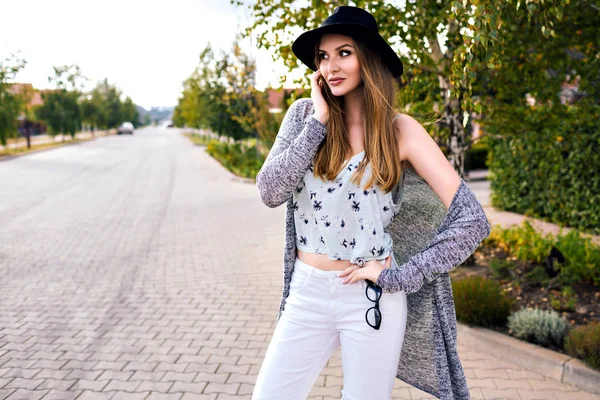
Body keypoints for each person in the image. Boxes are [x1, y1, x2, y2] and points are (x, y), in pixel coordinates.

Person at [253, 6, 490, 400]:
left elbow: (472, 220)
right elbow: (270, 192)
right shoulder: (303, 117)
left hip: (371, 298)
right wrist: (319, 123)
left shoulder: (401, 132)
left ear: (370, 59)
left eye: (344, 53)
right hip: (307, 290)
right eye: (323, 56)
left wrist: (400, 277)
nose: (332, 66)